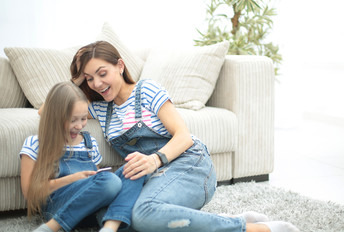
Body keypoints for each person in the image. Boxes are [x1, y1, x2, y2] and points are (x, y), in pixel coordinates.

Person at [67, 40, 299, 232]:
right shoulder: (100, 108)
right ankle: (219, 220)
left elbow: (184, 136)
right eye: (89, 78)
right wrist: (77, 78)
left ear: (120, 66)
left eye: (102, 73)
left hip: (189, 163)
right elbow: (52, 107)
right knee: (111, 219)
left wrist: (154, 160)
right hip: (152, 179)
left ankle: (258, 229)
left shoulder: (146, 90)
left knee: (142, 215)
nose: (97, 83)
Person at [20, 82, 144, 232]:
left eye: (83, 118)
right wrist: (73, 178)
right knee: (110, 180)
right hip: (57, 207)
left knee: (137, 167)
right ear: (55, 117)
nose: (79, 126)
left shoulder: (89, 142)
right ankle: (51, 227)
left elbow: (99, 186)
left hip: (91, 209)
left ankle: (110, 227)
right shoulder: (35, 144)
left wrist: (94, 180)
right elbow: (30, 193)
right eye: (73, 120)